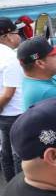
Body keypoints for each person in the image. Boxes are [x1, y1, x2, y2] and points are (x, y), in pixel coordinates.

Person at [0, 18, 24, 182]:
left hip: (4, 114)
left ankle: (11, 189)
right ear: (7, 36)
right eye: (17, 33)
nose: (19, 37)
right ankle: (22, 193)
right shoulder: (10, 58)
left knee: (6, 154)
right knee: (20, 157)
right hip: (15, 113)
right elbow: (9, 93)